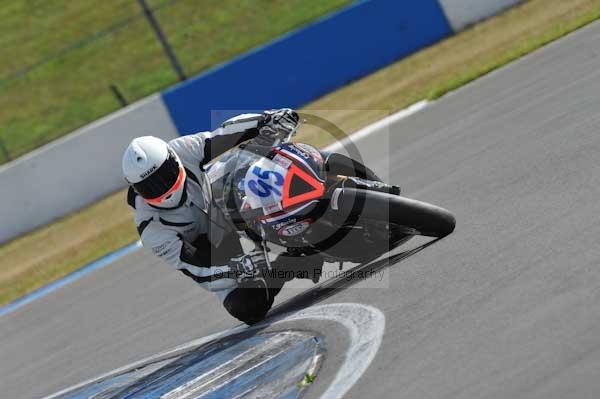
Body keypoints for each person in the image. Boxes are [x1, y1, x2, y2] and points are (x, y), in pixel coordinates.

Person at [122, 109, 322, 325]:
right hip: (215, 251)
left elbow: (225, 134)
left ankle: (313, 183)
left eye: (164, 176)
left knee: (257, 155)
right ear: (136, 189)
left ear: (172, 159)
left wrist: (265, 118)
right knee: (247, 307)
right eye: (149, 187)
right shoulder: (151, 228)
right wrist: (237, 267)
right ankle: (289, 263)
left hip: (221, 193)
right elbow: (195, 267)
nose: (163, 188)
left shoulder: (182, 149)